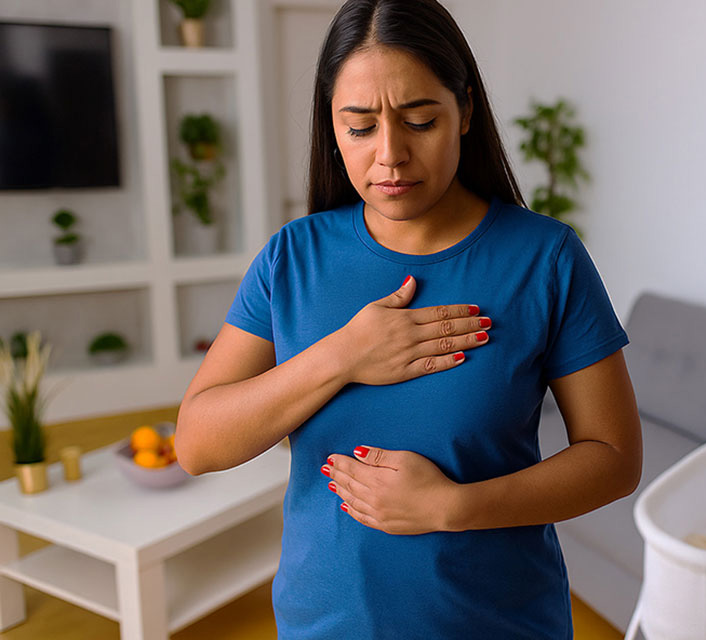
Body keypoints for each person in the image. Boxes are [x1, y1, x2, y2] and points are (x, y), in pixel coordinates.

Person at [174, 0, 642, 638]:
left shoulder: (545, 258)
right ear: (332, 127)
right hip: (324, 623)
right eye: (360, 127)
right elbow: (198, 444)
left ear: (466, 111)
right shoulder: (293, 257)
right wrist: (344, 354)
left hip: (499, 622)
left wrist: (454, 506)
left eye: (420, 120)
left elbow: (614, 457)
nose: (390, 155)